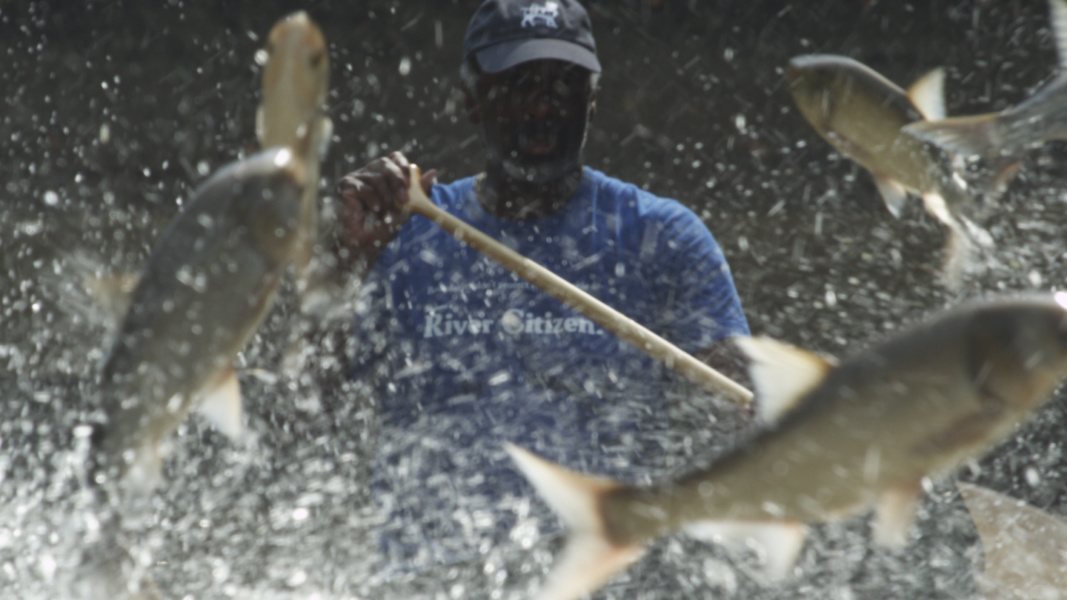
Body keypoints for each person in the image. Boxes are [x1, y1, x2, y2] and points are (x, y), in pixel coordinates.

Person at [334, 0, 748, 592]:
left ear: (593, 99)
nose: (542, 106)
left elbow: (747, 411)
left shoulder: (663, 238)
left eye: (564, 85)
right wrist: (346, 264)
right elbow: (309, 408)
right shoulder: (404, 237)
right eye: (519, 85)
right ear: (472, 98)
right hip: (431, 583)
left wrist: (796, 404)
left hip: (606, 582)